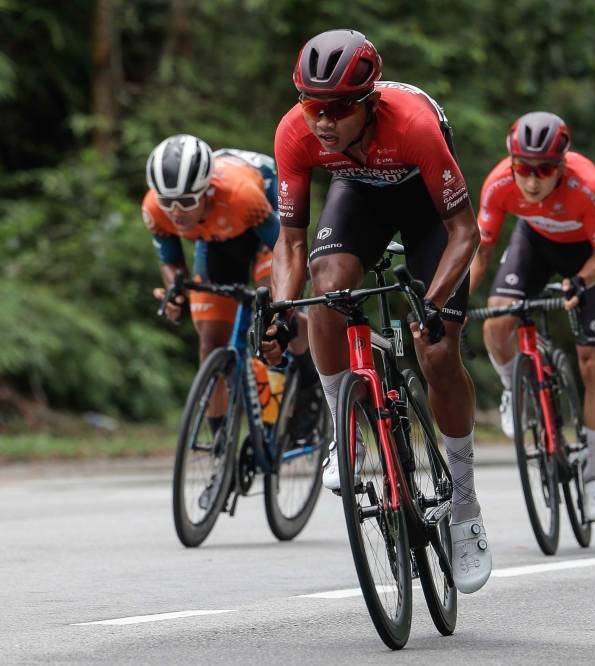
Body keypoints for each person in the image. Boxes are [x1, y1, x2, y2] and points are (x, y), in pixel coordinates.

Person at [259, 29, 490, 593]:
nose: (322, 120)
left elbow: (466, 233)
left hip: (425, 207)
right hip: (358, 193)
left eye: (337, 109)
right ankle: (346, 428)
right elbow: (290, 243)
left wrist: (431, 306)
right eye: (313, 105)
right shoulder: (296, 131)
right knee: (327, 284)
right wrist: (281, 310)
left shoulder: (412, 124)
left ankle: (463, 503)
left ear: (368, 102)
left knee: (436, 354)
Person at [468, 112, 595, 521]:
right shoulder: (499, 183)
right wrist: (451, 302)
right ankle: (514, 389)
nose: (532, 181)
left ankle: (594, 479)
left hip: (588, 257)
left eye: (545, 170)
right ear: (512, 162)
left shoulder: (587, 187)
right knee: (498, 323)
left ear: (562, 166)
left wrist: (582, 283)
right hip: (533, 242)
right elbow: (481, 252)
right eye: (524, 169)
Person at [143, 134, 316, 435]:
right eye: (167, 202)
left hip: (263, 232)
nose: (176, 212)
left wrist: (282, 310)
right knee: (210, 343)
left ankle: (309, 385)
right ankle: (220, 447)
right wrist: (176, 292)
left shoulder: (241, 196)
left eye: (185, 202)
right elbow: (171, 262)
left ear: (206, 191)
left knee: (272, 319)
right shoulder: (155, 209)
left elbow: (285, 250)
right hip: (216, 240)